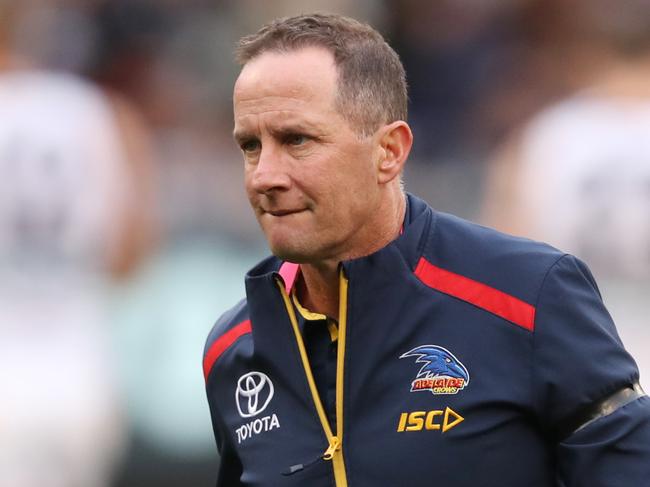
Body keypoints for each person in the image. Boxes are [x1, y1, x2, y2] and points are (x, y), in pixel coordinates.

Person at [203, 13, 650, 487]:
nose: (263, 176)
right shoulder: (233, 350)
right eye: (250, 146)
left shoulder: (527, 297)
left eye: (297, 140)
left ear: (390, 151)